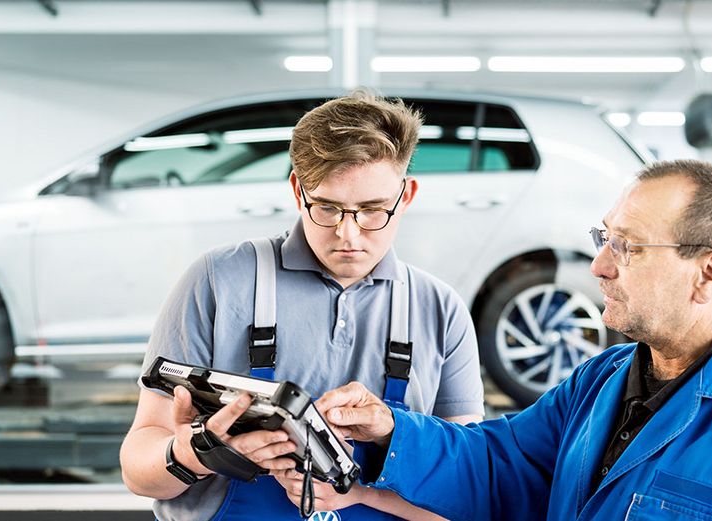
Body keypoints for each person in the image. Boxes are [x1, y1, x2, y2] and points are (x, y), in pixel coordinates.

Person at [315, 159, 712, 521]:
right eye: (605, 238)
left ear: (709, 272)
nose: (600, 265)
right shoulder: (599, 381)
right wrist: (390, 429)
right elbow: (498, 466)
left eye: (628, 247)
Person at [120, 90, 485, 521]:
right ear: (298, 189)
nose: (348, 234)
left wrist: (360, 496)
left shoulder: (440, 309)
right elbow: (138, 471)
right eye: (327, 208)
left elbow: (467, 493)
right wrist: (198, 452)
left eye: (372, 210)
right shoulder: (218, 280)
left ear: (405, 196)